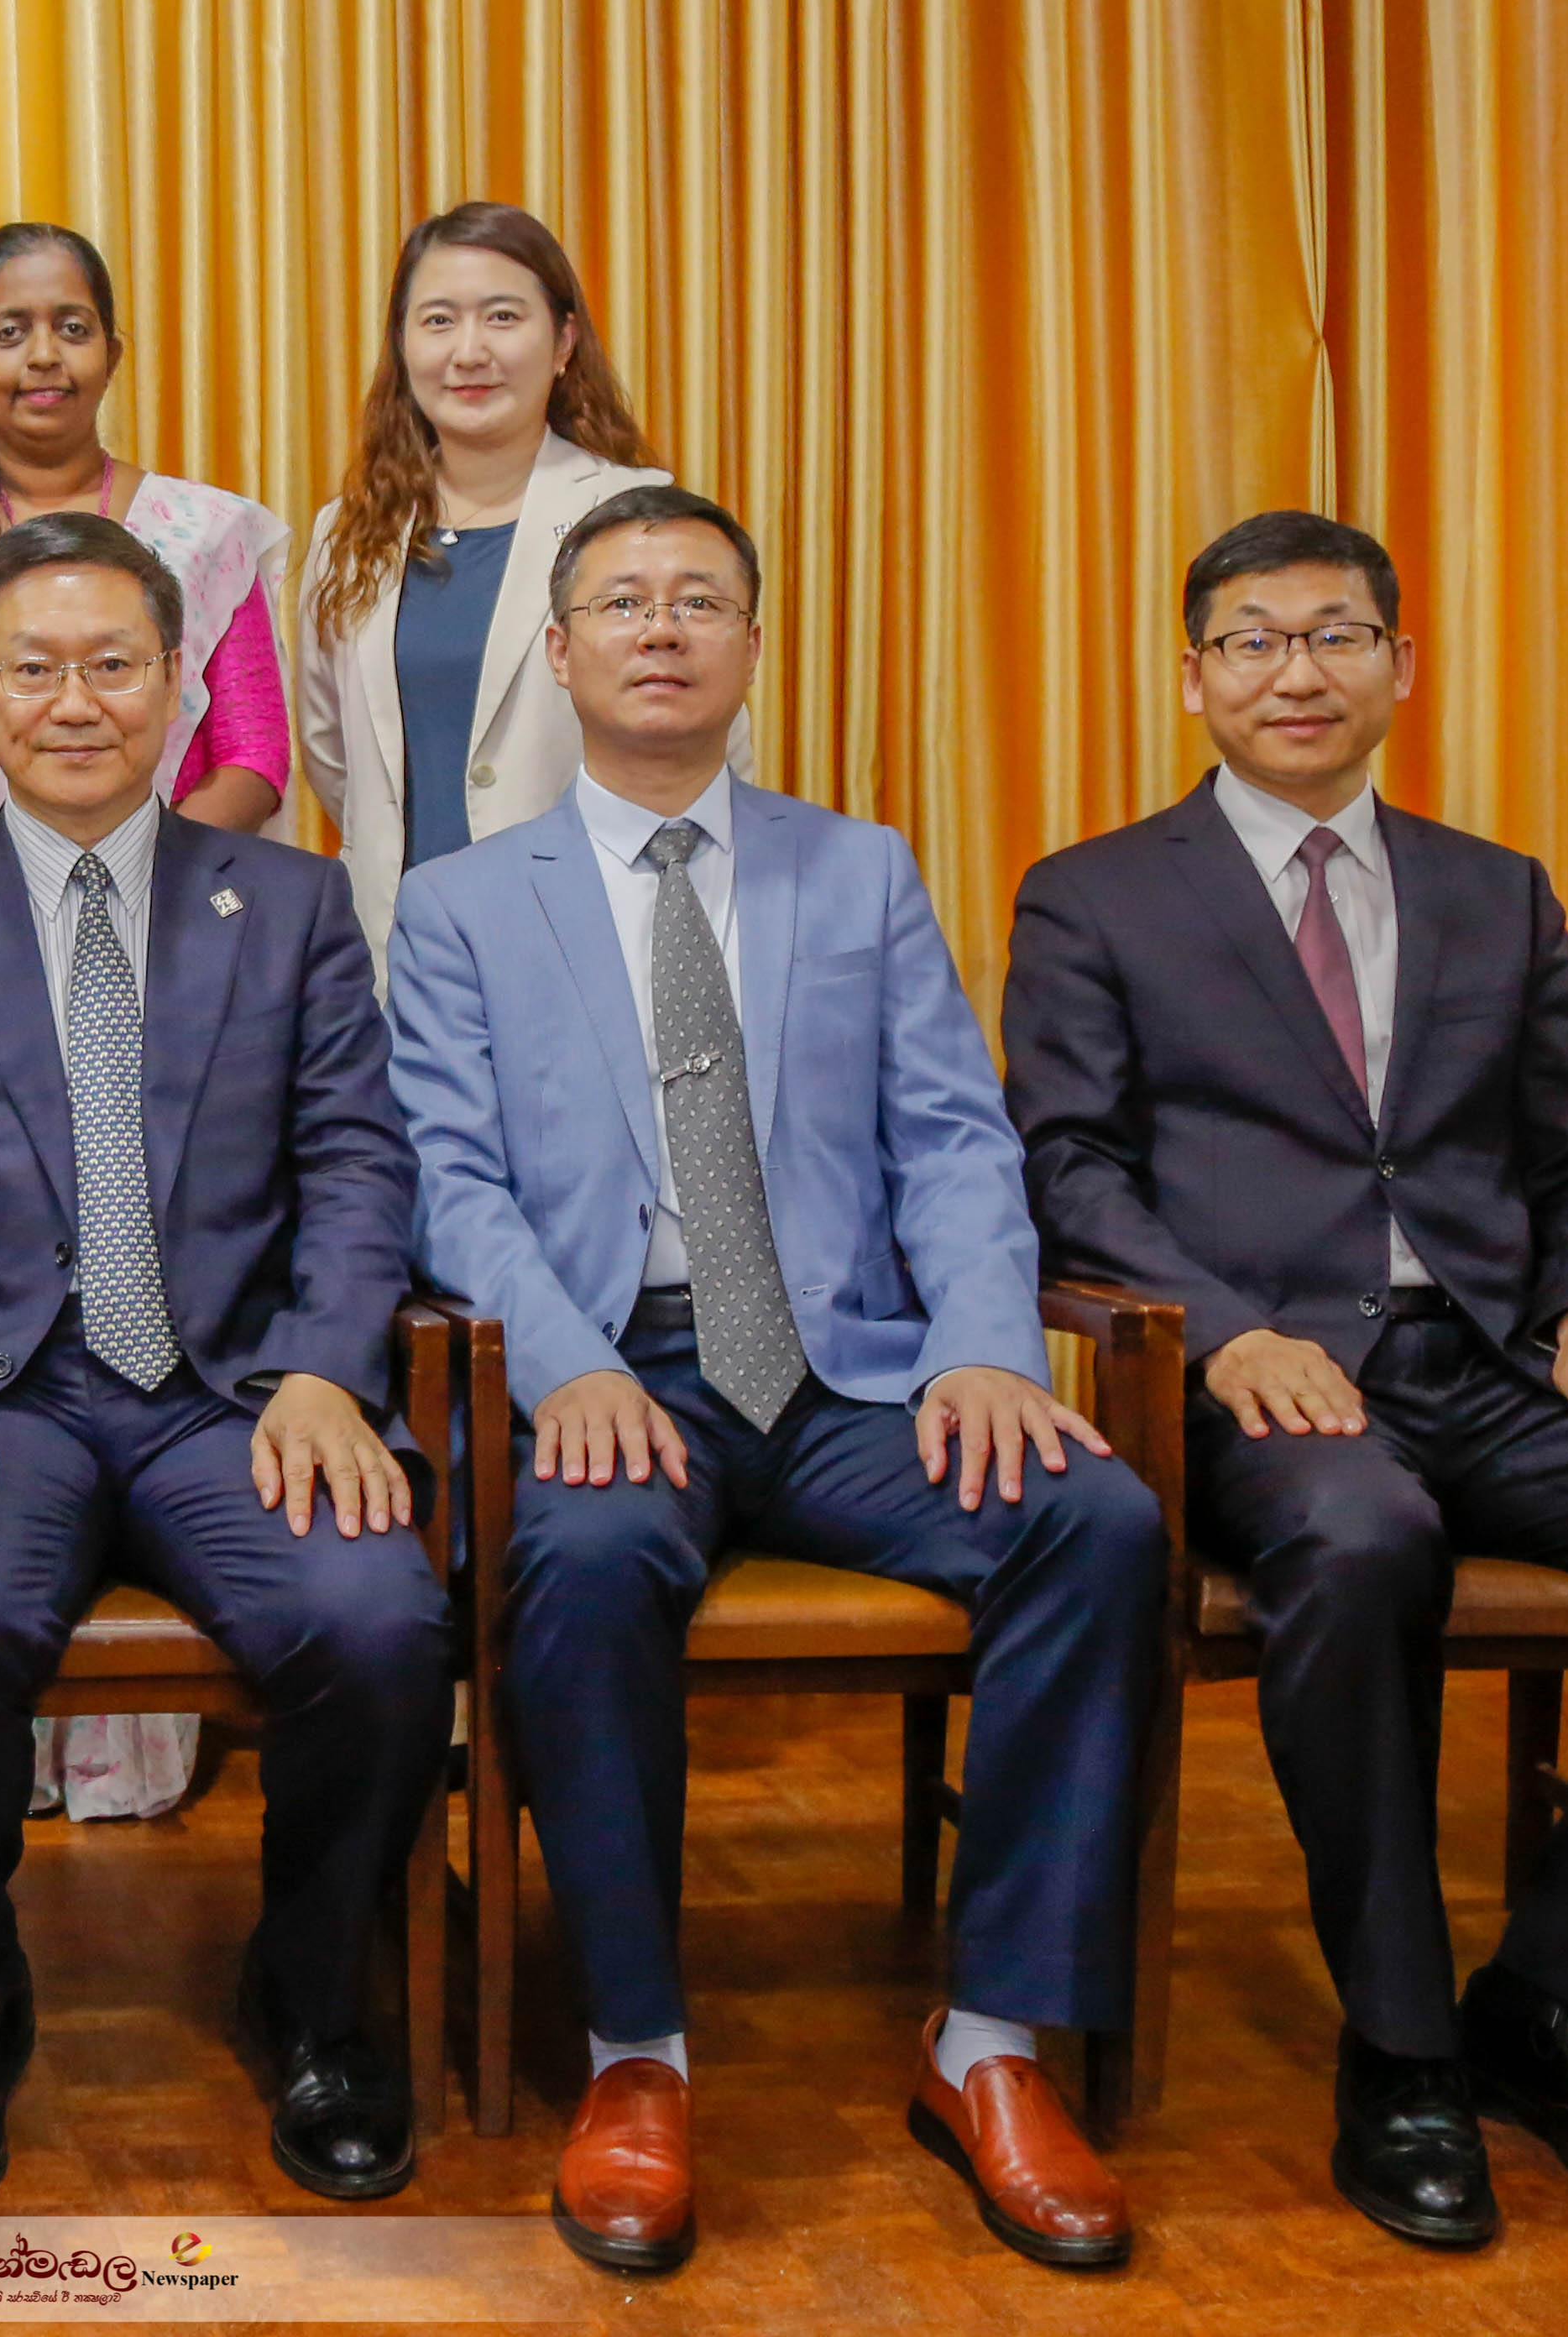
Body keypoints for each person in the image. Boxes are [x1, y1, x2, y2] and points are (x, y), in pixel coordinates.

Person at [1001, 510, 1568, 2250]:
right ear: (1190, 681)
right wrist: (1225, 1325)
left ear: (1400, 668)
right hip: (1259, 1377)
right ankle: (1399, 2048)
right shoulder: (1094, 893)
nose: (1293, 672)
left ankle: (1559, 2006)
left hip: (1494, 1360)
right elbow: (1070, 1168)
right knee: (1355, 1544)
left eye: (1332, 636)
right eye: (1249, 641)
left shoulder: (1496, 891)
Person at [382, 485, 1168, 2274]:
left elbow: (956, 1141)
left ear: (750, 644)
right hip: (611, 1369)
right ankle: (634, 2051)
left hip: (842, 1374)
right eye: (622, 604)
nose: (660, 631)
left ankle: (987, 2042)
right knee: (576, 1564)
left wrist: (978, 1346)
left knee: (1094, 1523)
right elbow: (449, 1179)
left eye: (699, 602)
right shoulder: (456, 907)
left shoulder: (856, 868)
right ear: (559, 655)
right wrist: (567, 1368)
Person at [0, 510, 442, 2211]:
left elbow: (358, 1158)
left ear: (182, 684)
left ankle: (304, 1980)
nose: (75, 701)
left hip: (230, 1392)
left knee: (378, 1615)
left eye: (114, 664)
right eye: (34, 667)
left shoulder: (284, 906)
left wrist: (324, 1371)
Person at [295, 202, 739, 965]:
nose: (469, 352)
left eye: (502, 317)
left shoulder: (638, 518)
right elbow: (331, 753)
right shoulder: (346, 534)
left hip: (599, 941)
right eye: (437, 322)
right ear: (402, 346)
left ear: (563, 341)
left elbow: (708, 746)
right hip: (402, 958)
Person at [0, 222, 295, 858]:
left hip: (172, 916)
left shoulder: (206, 532)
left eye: (72, 329)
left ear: (112, 357)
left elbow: (254, 754)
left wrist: (134, 884)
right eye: (10, 332)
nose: (44, 354)